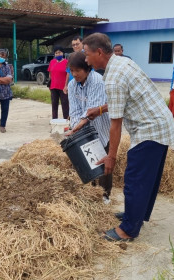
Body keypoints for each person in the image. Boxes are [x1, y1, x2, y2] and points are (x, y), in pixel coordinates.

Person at [83, 33, 174, 241]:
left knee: (135, 179)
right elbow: (124, 99)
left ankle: (128, 230)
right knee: (146, 178)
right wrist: (99, 110)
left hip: (149, 129)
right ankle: (136, 215)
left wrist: (111, 157)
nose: (86, 60)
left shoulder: (114, 78)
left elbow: (116, 123)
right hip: (160, 123)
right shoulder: (122, 63)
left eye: (87, 54)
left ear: (99, 52)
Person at [67, 51, 112, 203]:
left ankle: (105, 195)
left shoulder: (98, 81)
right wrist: (74, 126)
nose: (74, 74)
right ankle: (92, 191)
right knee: (88, 160)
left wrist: (76, 127)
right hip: (83, 130)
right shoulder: (72, 85)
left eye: (78, 70)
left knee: (103, 161)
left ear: (87, 69)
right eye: (72, 70)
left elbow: (91, 111)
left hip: (101, 127)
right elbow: (74, 111)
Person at [48, 45, 69, 119]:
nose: (58, 54)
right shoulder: (52, 62)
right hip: (53, 87)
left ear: (63, 53)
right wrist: (49, 84)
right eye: (56, 53)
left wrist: (66, 85)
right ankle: (54, 120)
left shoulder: (67, 62)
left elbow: (68, 74)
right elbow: (50, 73)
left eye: (59, 52)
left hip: (63, 87)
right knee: (54, 105)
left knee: (65, 104)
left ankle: (67, 120)